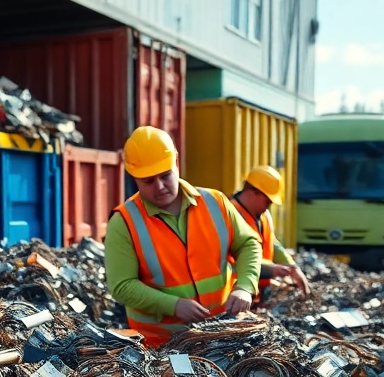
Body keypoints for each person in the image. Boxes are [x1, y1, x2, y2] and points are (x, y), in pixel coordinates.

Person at [103, 127, 263, 346]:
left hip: (221, 335)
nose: (159, 187)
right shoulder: (124, 222)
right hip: (160, 346)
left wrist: (245, 286)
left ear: (176, 162)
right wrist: (174, 305)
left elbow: (248, 244)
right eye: (148, 181)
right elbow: (122, 286)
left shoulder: (216, 202)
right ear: (134, 177)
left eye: (165, 175)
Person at [230, 165, 311, 295]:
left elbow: (272, 242)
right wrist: (270, 270)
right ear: (253, 193)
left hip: (257, 292)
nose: (269, 206)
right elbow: (232, 263)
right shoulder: (229, 216)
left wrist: (292, 266)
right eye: (267, 201)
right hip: (236, 294)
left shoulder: (263, 214)